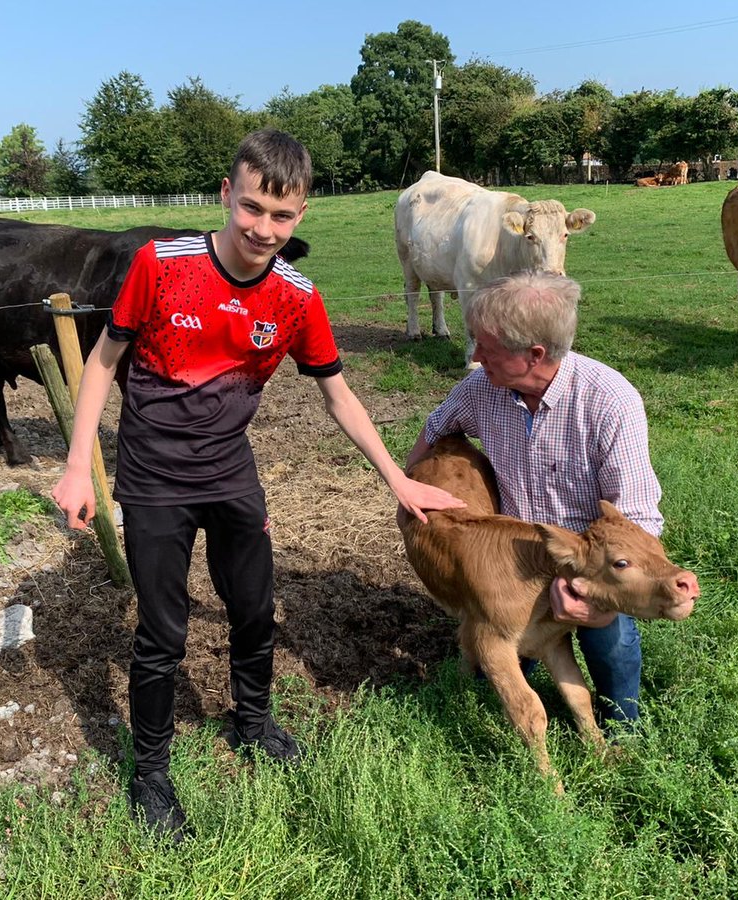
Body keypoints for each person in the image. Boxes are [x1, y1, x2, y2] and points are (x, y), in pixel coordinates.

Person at [51, 128, 462, 844]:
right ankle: (150, 770)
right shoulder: (160, 265)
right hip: (153, 479)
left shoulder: (297, 297)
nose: (263, 229)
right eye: (251, 209)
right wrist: (77, 463)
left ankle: (252, 720)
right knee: (163, 632)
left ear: (301, 215)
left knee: (254, 610)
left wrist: (398, 478)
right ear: (226, 196)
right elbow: (102, 362)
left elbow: (339, 395)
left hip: (231, 472)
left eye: (282, 217)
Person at [405, 270, 664, 732]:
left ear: (534, 355)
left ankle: (623, 728)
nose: (476, 355)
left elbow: (638, 518)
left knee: (609, 636)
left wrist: (592, 590)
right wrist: (408, 482)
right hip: (514, 559)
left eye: (486, 347)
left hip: (586, 557)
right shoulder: (480, 389)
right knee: (500, 669)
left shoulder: (609, 402)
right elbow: (437, 424)